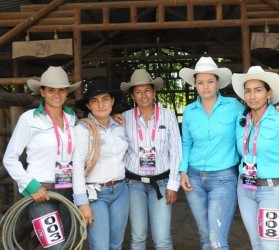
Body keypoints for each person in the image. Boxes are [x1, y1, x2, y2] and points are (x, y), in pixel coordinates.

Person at [178, 57, 279, 249]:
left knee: (217, 238)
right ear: (195, 85)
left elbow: (257, 113)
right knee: (205, 236)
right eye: (200, 82)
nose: (205, 87)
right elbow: (187, 143)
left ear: (218, 83)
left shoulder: (235, 107)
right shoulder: (190, 111)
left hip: (224, 178)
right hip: (195, 178)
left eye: (210, 81)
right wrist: (183, 171)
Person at [3, 66, 81, 249]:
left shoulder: (72, 119)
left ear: (66, 92)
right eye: (51, 90)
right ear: (43, 92)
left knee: (68, 243)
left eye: (61, 89)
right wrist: (32, 187)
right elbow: (10, 158)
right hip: (41, 193)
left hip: (67, 190)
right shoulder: (29, 119)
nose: (56, 94)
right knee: (56, 246)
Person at [232, 66, 279, 249]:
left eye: (258, 90)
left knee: (271, 246)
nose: (252, 96)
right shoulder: (241, 120)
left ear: (269, 93)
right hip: (245, 188)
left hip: (273, 190)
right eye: (248, 91)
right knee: (256, 244)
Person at [120, 69, 182, 250]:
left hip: (161, 182)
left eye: (147, 90)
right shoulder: (124, 118)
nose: (143, 95)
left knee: (162, 238)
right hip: (134, 184)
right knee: (138, 237)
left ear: (154, 92)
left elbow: (176, 150)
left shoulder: (167, 115)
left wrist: (173, 184)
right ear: (132, 95)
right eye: (138, 92)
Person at [72, 77, 129, 250]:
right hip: (96, 195)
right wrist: (82, 203)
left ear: (112, 101)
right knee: (100, 246)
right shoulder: (82, 130)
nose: (101, 105)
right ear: (88, 106)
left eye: (105, 99)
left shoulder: (120, 126)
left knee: (116, 244)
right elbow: (77, 167)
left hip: (120, 191)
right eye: (95, 101)